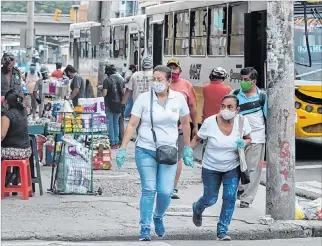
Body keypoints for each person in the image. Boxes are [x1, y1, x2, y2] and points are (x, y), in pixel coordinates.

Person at [115, 65, 194, 241]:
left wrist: (188, 146)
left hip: (169, 151)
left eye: (160, 79)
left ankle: (158, 216)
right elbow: (132, 124)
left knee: (165, 191)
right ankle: (144, 227)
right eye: (154, 79)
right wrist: (122, 147)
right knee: (149, 189)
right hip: (145, 149)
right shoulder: (144, 99)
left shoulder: (178, 99)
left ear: (168, 81)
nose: (156, 83)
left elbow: (186, 123)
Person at [190, 95, 252, 241]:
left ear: (237, 110)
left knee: (230, 198)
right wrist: (187, 152)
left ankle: (222, 230)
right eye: (223, 106)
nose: (225, 110)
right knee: (210, 198)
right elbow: (197, 138)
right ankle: (197, 208)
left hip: (232, 166)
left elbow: (249, 138)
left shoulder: (242, 121)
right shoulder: (210, 122)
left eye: (230, 107)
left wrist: (244, 142)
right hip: (211, 167)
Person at [232, 67, 267, 208]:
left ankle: (247, 199)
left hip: (256, 139)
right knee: (236, 168)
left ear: (253, 81)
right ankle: (240, 188)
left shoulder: (262, 97)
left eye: (246, 80)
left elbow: (268, 118)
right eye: (241, 80)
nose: (243, 83)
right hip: (237, 140)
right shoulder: (234, 95)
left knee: (253, 170)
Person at [167, 58, 198, 199]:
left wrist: (195, 126)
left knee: (177, 157)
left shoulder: (186, 85)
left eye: (175, 68)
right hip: (163, 128)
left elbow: (192, 107)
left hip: (180, 128)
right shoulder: (162, 84)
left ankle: (173, 186)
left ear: (180, 70)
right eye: (170, 68)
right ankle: (163, 184)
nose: (173, 71)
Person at [103, 64, 124, 149]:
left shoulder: (106, 80)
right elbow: (123, 91)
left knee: (110, 123)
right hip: (119, 105)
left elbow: (104, 94)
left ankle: (112, 142)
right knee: (116, 123)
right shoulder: (121, 79)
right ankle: (116, 141)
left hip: (110, 105)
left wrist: (101, 90)